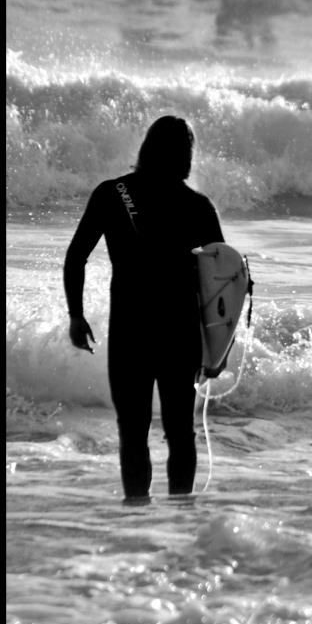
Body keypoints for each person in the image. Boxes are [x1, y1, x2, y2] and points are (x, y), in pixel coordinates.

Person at [63, 116, 224, 503]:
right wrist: (217, 347)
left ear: (146, 147)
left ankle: (137, 517)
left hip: (130, 333)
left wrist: (77, 315)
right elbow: (222, 282)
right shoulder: (197, 206)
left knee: (132, 432)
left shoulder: (112, 193)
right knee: (179, 432)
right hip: (179, 334)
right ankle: (180, 520)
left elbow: (75, 257)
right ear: (186, 155)